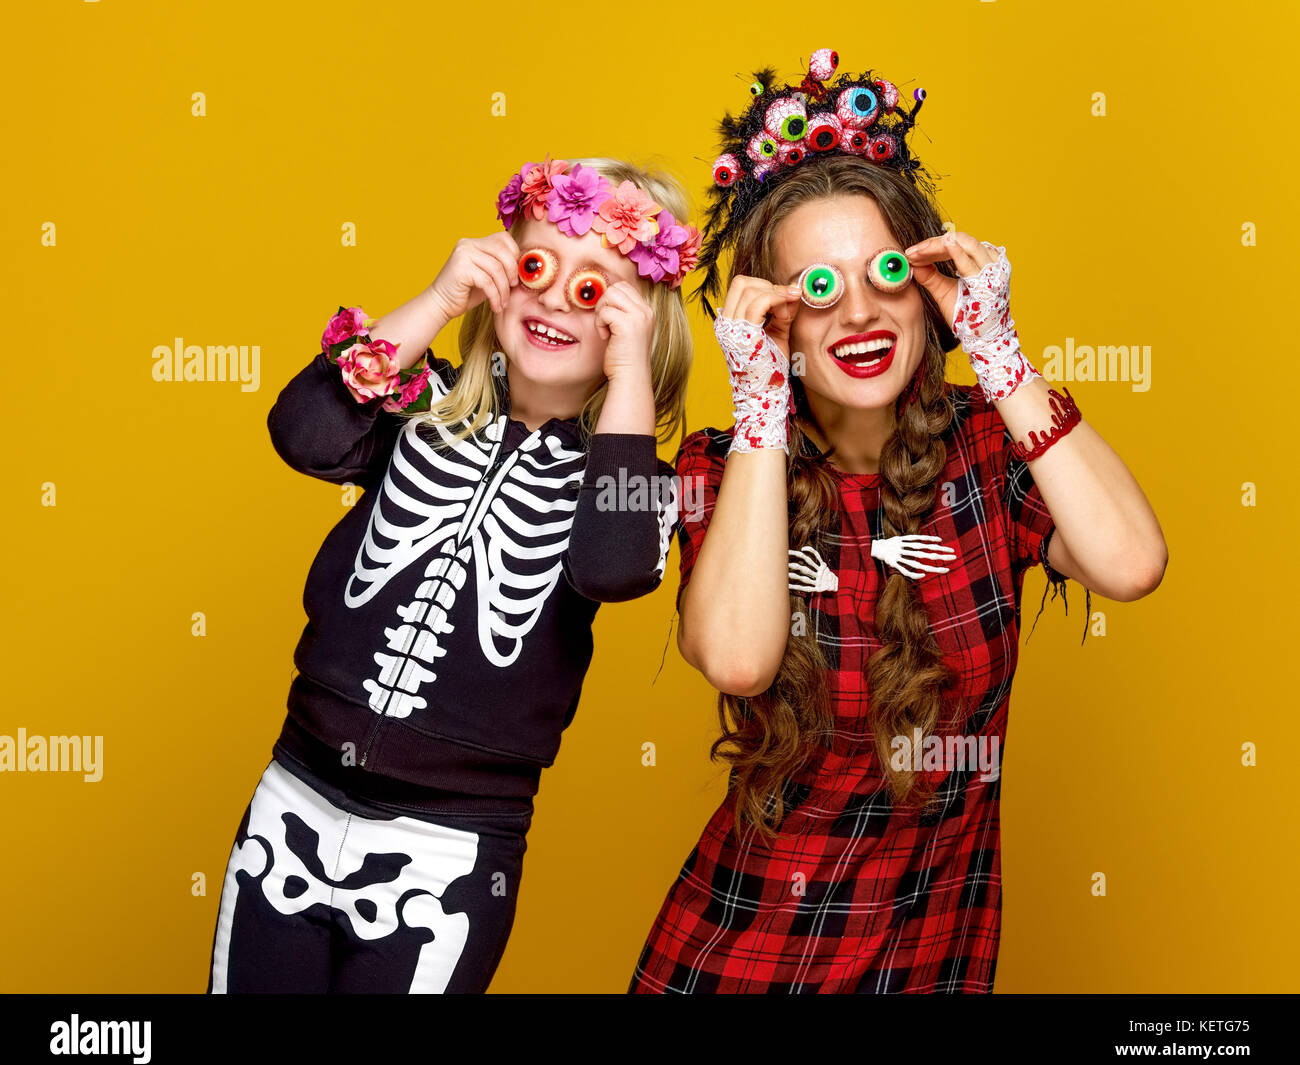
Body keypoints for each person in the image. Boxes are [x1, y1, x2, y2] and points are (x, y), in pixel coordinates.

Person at [628, 50, 1167, 993]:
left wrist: (997, 355)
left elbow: (1130, 563)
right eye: (819, 291)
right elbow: (740, 659)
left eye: (885, 275)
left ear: (930, 288)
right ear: (776, 319)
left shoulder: (994, 450)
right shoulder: (724, 469)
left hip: (938, 950)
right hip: (753, 948)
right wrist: (761, 406)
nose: (861, 314)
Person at [207, 156, 698, 994]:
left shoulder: (631, 480)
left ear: (638, 328)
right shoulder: (420, 405)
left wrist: (628, 381)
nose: (552, 299)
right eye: (537, 267)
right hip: (292, 804)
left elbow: (614, 567)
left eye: (594, 293)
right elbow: (302, 432)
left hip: (449, 852)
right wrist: (438, 300)